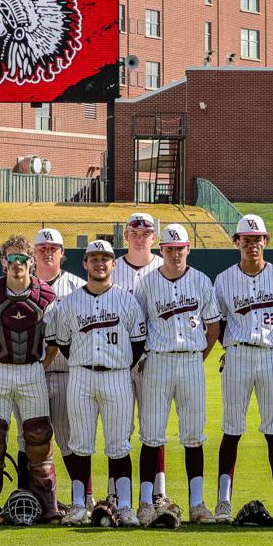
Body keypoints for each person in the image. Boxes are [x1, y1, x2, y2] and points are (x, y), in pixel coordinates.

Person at [52, 240, 145, 527]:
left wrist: (119, 364)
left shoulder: (127, 301)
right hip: (80, 374)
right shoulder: (70, 302)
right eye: (94, 258)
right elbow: (63, 343)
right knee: (80, 443)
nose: (100, 263)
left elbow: (139, 343)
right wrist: (82, 362)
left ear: (113, 264)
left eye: (105, 258)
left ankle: (126, 505)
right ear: (85, 263)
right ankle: (79, 504)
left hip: (117, 374)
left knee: (119, 445)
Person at [213, 214, 273, 524]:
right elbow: (218, 323)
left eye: (257, 239)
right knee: (232, 429)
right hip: (237, 355)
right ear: (237, 242)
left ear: (266, 240)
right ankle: (223, 501)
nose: (252, 244)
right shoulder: (223, 279)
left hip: (270, 355)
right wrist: (234, 345)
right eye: (246, 240)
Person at [0, 234, 60, 524]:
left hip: (32, 370)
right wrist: (1, 362)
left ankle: (48, 505)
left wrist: (36, 365)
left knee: (38, 438)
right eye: (12, 258)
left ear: (31, 262)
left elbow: (54, 342)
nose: (17, 264)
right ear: (3, 261)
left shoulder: (46, 297)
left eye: (22, 258)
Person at [135, 224, 222, 525]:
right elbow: (137, 327)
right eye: (169, 249)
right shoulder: (146, 283)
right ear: (161, 250)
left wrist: (200, 357)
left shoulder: (200, 281)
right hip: (158, 360)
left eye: (180, 248)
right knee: (151, 434)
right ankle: (146, 502)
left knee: (194, 435)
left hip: (190, 361)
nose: (175, 254)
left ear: (188, 249)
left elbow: (213, 326)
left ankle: (197, 504)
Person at [19, 228, 85, 498]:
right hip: (32, 376)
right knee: (27, 439)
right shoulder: (22, 285)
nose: (47, 253)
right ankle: (27, 497)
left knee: (69, 439)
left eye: (53, 248)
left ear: (62, 253)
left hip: (67, 373)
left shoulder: (76, 286)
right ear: (33, 254)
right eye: (42, 248)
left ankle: (84, 499)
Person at [111, 211, 165, 503]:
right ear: (126, 236)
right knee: (117, 427)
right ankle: (115, 493)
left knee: (153, 428)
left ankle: (158, 492)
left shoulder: (165, 266)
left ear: (154, 237)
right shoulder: (112, 268)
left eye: (146, 234)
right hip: (119, 360)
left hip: (153, 360)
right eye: (135, 233)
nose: (140, 238)